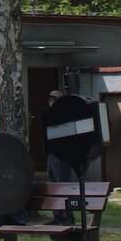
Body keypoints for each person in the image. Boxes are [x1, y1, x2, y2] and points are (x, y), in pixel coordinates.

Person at [43, 90, 75, 225]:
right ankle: (57, 215)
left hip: (62, 155)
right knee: (52, 184)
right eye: (50, 100)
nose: (52, 103)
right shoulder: (48, 117)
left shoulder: (66, 116)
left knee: (62, 185)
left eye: (55, 100)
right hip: (51, 154)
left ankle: (67, 216)